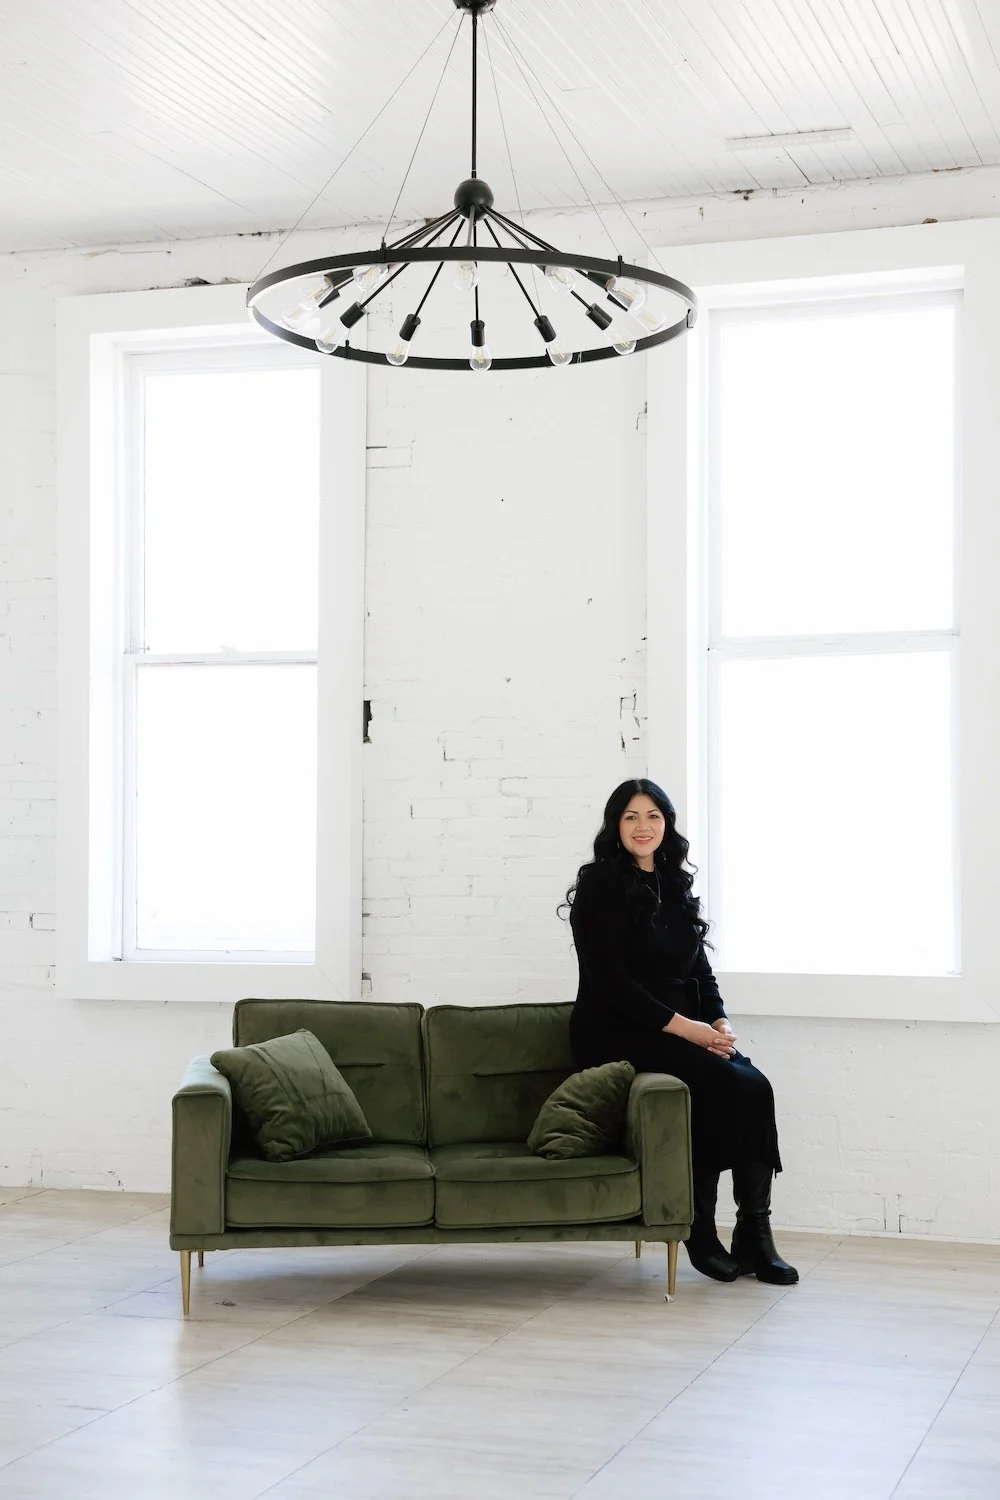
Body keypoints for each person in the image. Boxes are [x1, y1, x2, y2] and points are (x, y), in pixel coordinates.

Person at [559, 777, 797, 1286]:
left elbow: (699, 970)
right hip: (616, 1027)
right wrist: (689, 1030)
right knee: (719, 1085)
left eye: (653, 816)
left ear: (667, 824)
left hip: (682, 1026)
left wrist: (718, 1020)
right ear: (615, 826)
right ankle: (699, 1229)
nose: (643, 827)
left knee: (755, 1087)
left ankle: (754, 1233)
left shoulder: (673, 881)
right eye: (631, 817)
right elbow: (611, 984)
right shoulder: (600, 885)